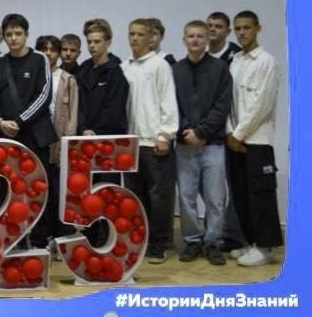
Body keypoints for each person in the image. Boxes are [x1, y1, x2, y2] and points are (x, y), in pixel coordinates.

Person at [0, 14, 58, 249]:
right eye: (9, 34)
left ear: (27, 34)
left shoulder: (40, 60)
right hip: (6, 135)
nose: (13, 38)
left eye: (18, 33)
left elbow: (44, 95)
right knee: (9, 188)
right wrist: (0, 121)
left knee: (37, 187)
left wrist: (19, 121)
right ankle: (14, 238)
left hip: (34, 136)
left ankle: (40, 239)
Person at [172, 21, 232, 266]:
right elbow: (172, 105)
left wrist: (202, 131)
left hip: (212, 144)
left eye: (200, 36)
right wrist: (186, 131)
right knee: (186, 197)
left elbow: (222, 105)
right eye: (191, 36)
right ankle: (192, 240)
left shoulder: (220, 68)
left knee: (215, 198)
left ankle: (213, 242)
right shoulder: (175, 70)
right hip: (184, 145)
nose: (195, 40)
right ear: (184, 39)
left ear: (207, 39)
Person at [225, 10, 283, 266]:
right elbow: (229, 100)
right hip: (235, 139)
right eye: (238, 28)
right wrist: (230, 132)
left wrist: (238, 134)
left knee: (261, 194)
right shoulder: (235, 60)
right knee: (241, 193)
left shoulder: (266, 61)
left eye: (246, 28)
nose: (242, 33)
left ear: (258, 28)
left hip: (257, 140)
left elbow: (262, 104)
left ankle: (266, 247)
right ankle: (250, 242)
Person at [121, 18, 179, 264]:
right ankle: (140, 241)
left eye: (140, 34)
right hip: (130, 144)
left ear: (150, 37)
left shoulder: (160, 65)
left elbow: (168, 101)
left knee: (159, 197)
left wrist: (165, 135)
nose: (135, 38)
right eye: (131, 34)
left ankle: (159, 244)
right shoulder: (124, 67)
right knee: (135, 197)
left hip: (154, 143)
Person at [75, 19, 129, 248]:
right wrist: (83, 128)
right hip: (85, 141)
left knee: (106, 192)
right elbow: (78, 105)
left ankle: (108, 236)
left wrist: (96, 131)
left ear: (108, 42)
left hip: (107, 144)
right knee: (87, 192)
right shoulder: (83, 70)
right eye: (89, 42)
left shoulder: (116, 72)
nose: (92, 46)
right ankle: (91, 234)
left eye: (97, 41)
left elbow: (114, 109)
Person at [206, 11, 246, 252]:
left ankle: (234, 235)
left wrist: (236, 131)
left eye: (218, 26)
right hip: (208, 134)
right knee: (211, 190)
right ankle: (216, 232)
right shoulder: (200, 56)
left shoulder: (237, 56)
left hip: (233, 132)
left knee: (236, 185)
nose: (212, 29)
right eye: (210, 25)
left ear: (227, 31)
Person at [34, 35, 79, 248]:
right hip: (39, 142)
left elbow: (72, 115)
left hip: (60, 143)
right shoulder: (35, 77)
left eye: (53, 50)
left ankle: (62, 234)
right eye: (44, 49)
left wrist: (67, 144)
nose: (49, 54)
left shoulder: (68, 80)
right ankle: (42, 236)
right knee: (40, 189)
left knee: (60, 191)